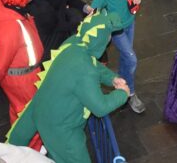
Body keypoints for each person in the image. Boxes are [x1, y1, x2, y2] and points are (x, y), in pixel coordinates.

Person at [7, 12, 131, 161]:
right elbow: (100, 107)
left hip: (42, 109)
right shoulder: (85, 71)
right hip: (62, 129)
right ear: (102, 39)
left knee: (56, 154)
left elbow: (93, 64)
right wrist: (122, 93)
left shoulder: (73, 45)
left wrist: (112, 78)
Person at [90, 0, 146, 114]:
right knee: (131, 59)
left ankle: (121, 84)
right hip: (117, 29)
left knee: (125, 57)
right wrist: (106, 21)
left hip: (129, 21)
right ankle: (130, 93)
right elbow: (95, 6)